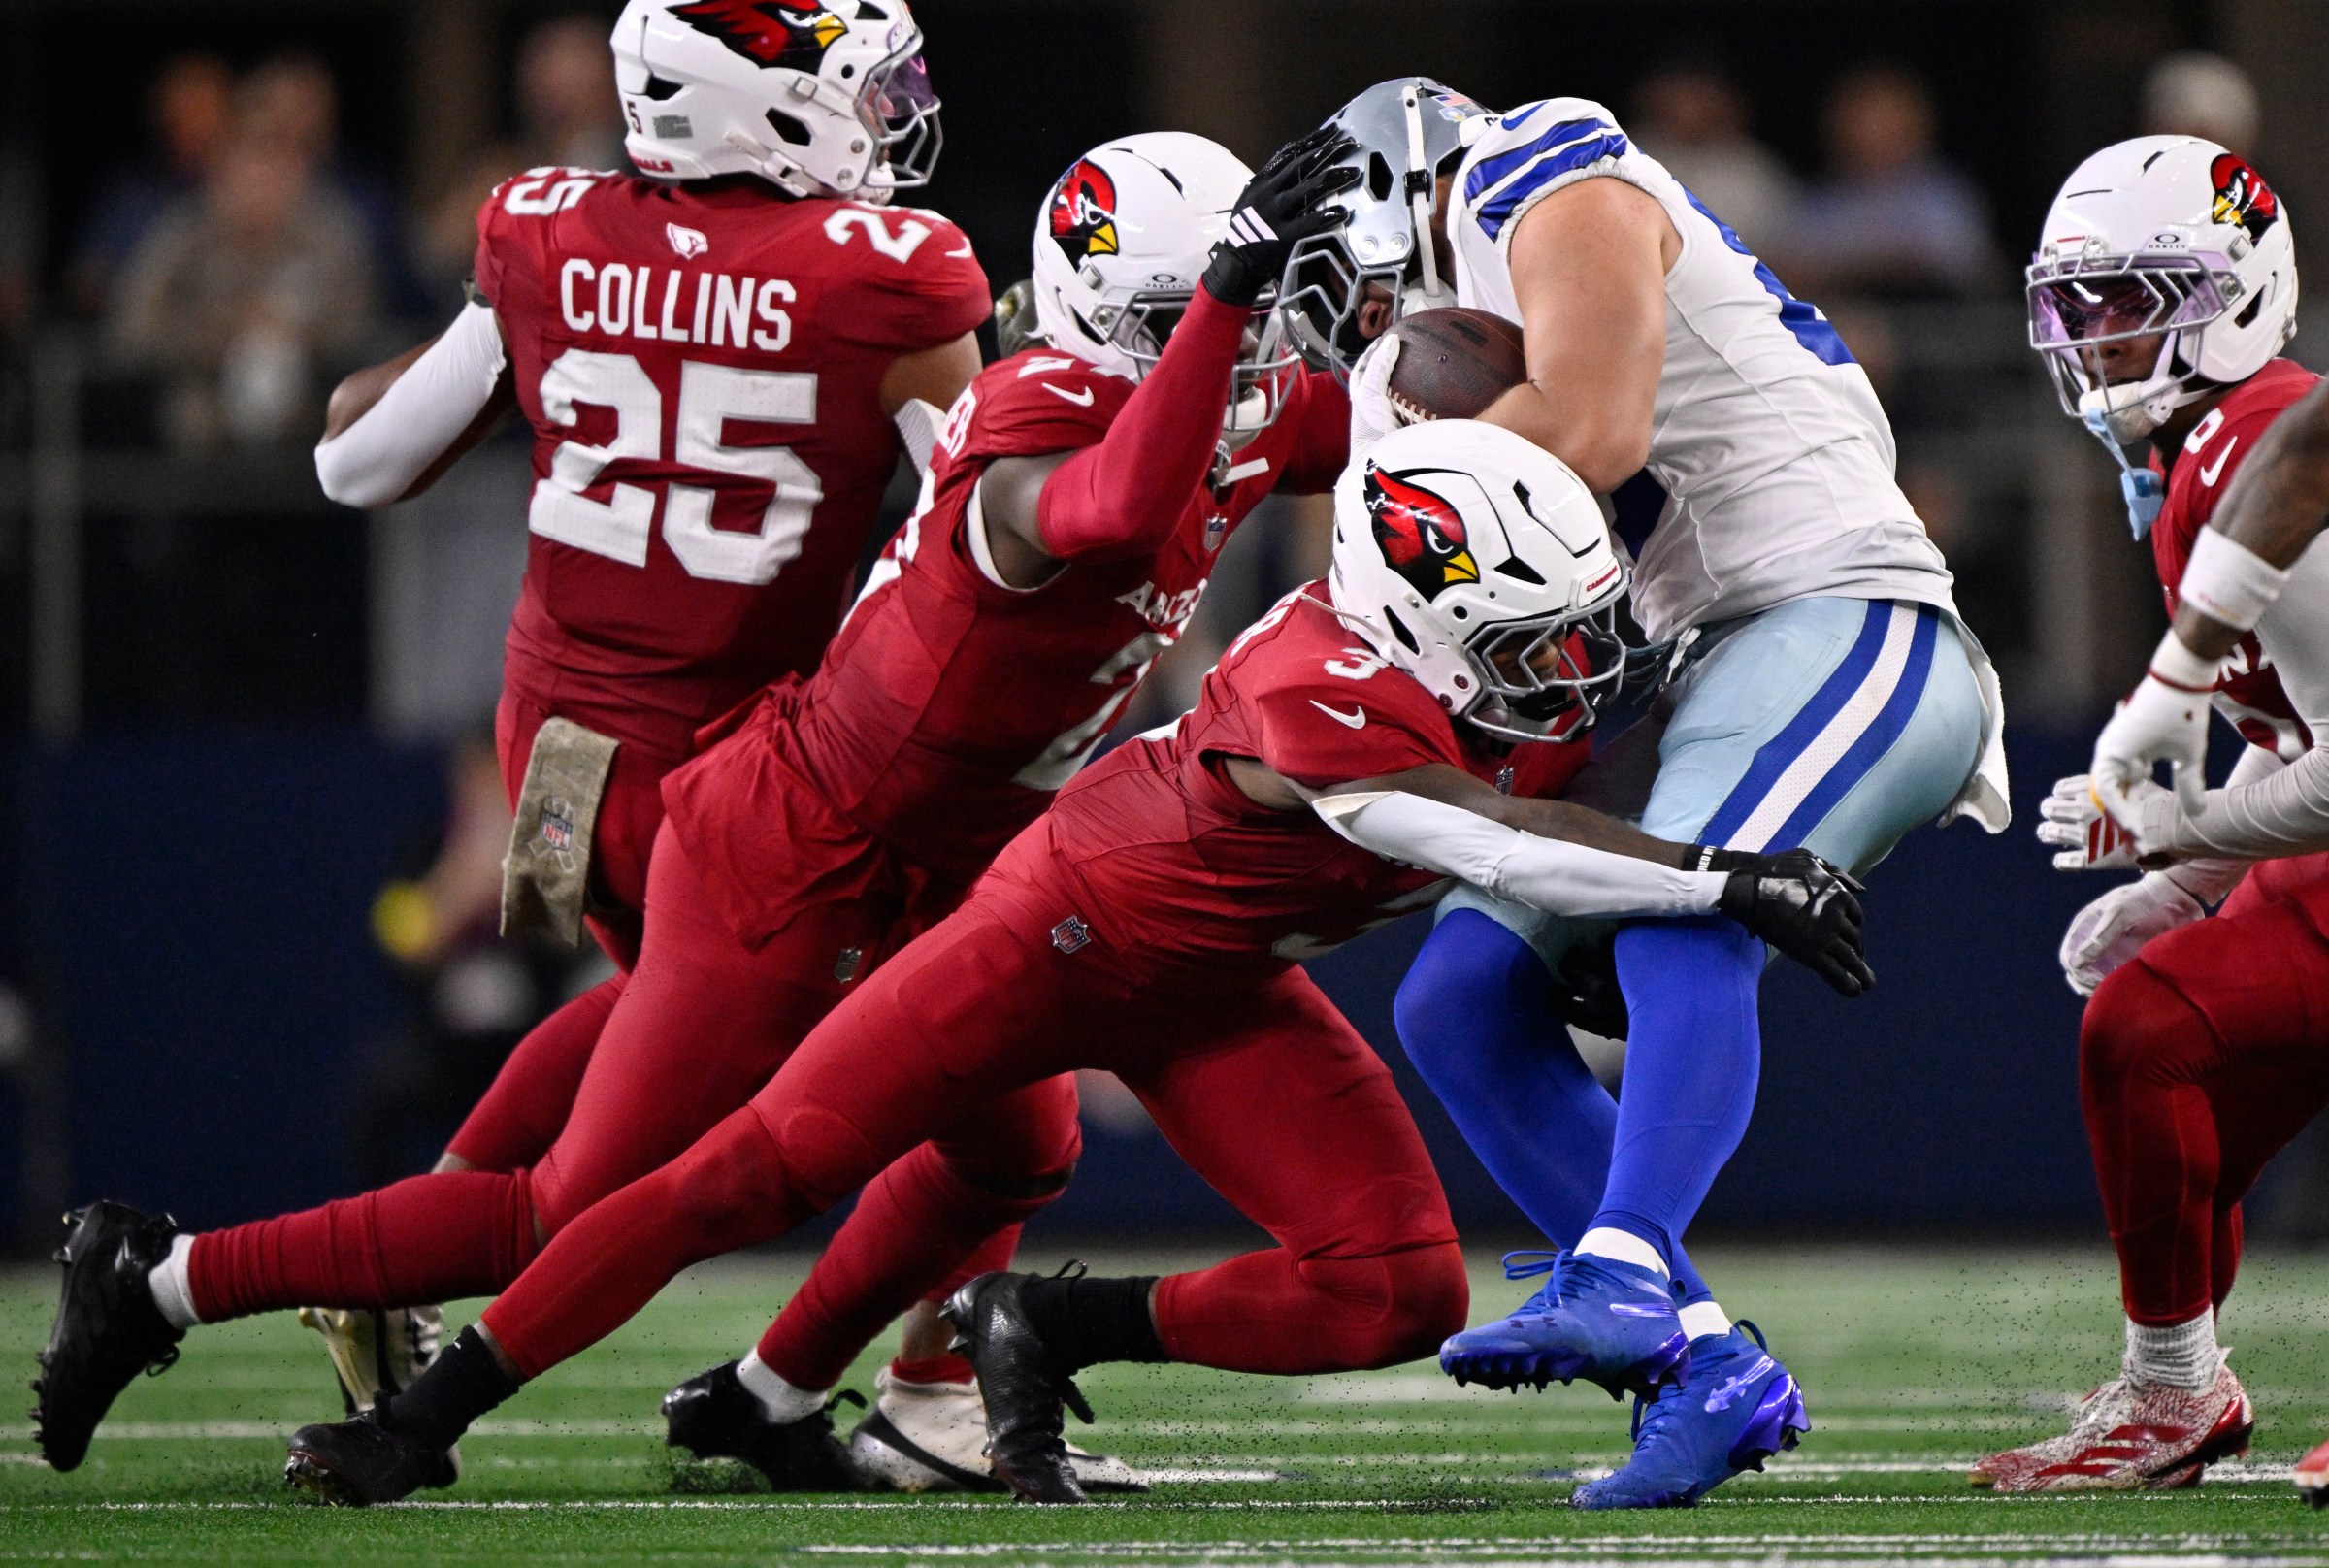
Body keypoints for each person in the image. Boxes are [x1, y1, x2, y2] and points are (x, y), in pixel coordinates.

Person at [35, 121, 1361, 1496]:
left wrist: (1475, 261)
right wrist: (1221, 301)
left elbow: (1390, 415)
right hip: (803, 832)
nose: (1263, 339)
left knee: (1013, 1139)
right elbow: (1120, 497)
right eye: (1220, 308)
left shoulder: (1203, 389)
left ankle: (845, 1397)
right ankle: (164, 1277)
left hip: (869, 823)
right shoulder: (1027, 404)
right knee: (573, 1205)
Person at [254, 419, 1865, 1510]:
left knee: (1395, 1288)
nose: (1572, 678)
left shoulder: (1476, 655)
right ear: (1416, 621)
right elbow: (1485, 837)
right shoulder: (1329, 688)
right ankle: (433, 1406)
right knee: (747, 1169)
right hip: (1064, 933)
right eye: (1536, 648)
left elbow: (1525, 829)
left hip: (1216, 978)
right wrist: (1725, 876)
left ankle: (1048, 1325)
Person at [32, 0, 984, 1476]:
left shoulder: (549, 228)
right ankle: (170, 1277)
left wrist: (502, 350)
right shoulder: (887, 280)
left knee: (686, 1026)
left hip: (554, 764)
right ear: (756, 106)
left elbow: (361, 461)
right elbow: (974, 540)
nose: (885, 113)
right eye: (856, 87)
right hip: (731, 781)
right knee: (601, 1190)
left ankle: (434, 1268)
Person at [1278, 79, 2005, 1509]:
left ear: (1388, 184)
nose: (1367, 337)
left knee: (1689, 910)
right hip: (1697, 662)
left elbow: (1596, 430)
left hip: (1843, 609)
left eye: (1352, 295)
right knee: (1458, 1000)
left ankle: (1619, 1267)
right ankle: (1702, 1361)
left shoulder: (1534, 164)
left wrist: (1393, 486)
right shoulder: (1435, 320)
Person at [1976, 135, 2320, 1495]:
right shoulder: (2212, 452)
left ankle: (2173, 1396)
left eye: (2137, 296)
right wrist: (2181, 888)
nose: (2101, 335)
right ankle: (2174, 1390)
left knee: (2151, 1033)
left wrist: (2181, 839)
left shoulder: (2265, 447)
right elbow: (2292, 727)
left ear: (2238, 290)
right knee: (2179, 1093)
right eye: (2083, 302)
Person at [1786, 65, 1996, 300]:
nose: (1868, 133)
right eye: (1859, 119)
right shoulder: (1821, 204)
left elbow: (1954, 268)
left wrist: (1850, 269)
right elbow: (1794, 272)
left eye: (1883, 120)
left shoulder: (1945, 196)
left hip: (1932, 328)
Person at [1627, 59, 1796, 250]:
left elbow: (1786, 247)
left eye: (1700, 93)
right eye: (1680, 92)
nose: (1689, 105)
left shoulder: (1753, 166)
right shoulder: (1628, 154)